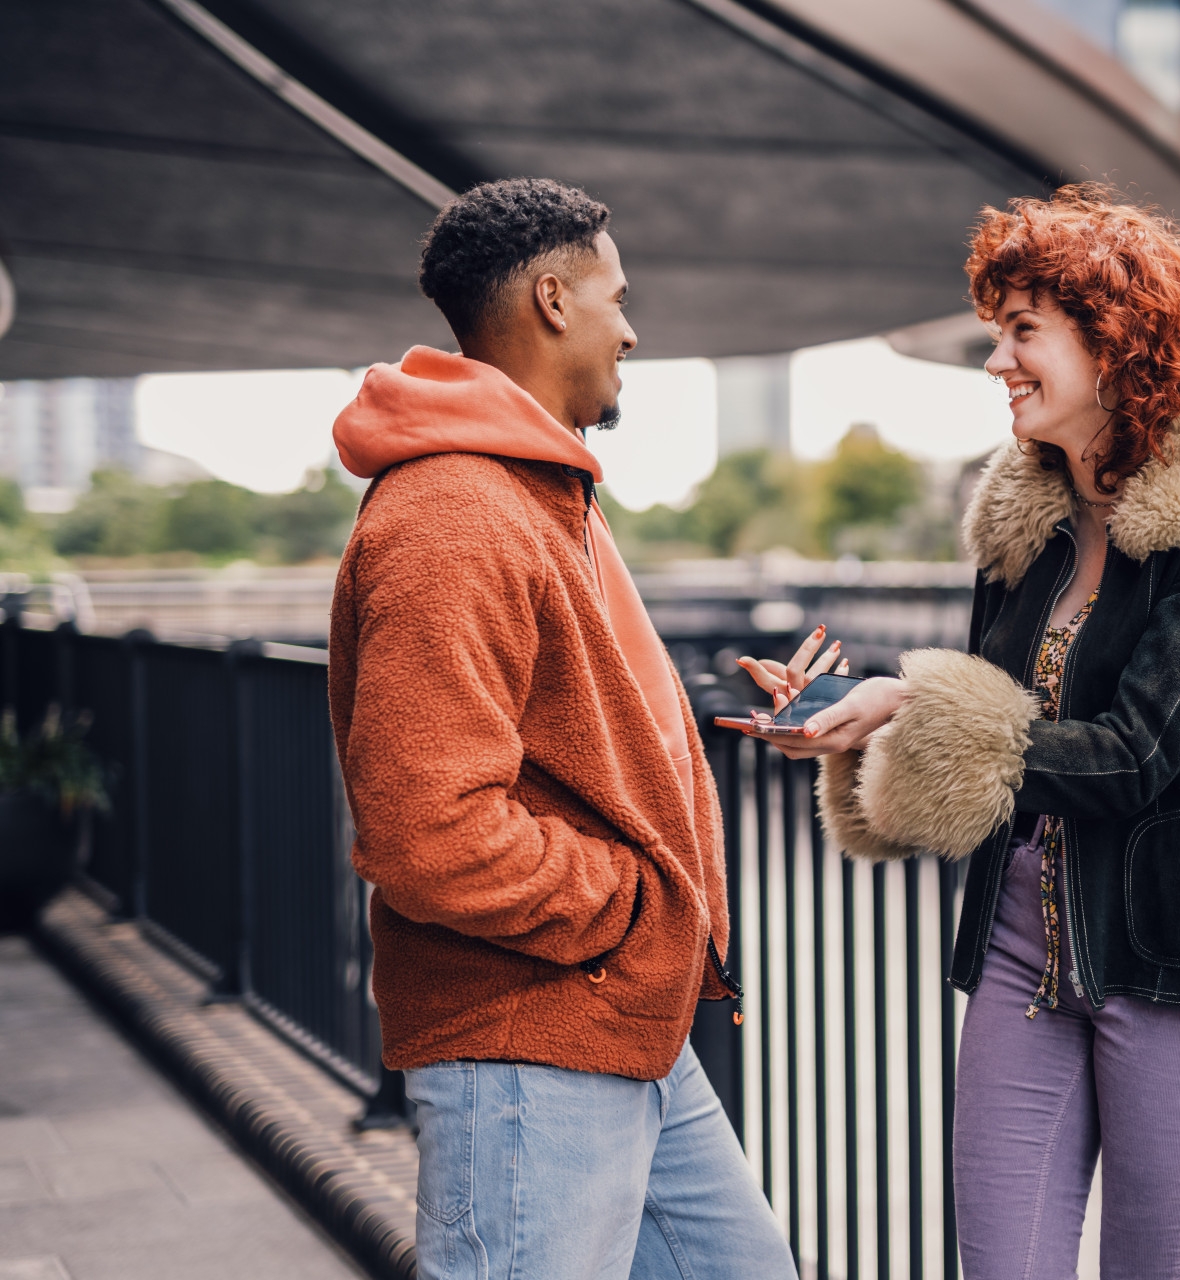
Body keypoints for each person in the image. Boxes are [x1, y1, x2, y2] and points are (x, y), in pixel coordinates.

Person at [738, 185, 1180, 1279]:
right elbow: (988, 725)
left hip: (1167, 953)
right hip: (1018, 947)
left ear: (1114, 338)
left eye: (1023, 330)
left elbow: (1133, 754)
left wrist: (914, 694)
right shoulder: (1021, 522)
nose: (997, 361)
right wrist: (852, 723)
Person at [328, 178, 794, 1280]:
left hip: (617, 1018)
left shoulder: (533, 490)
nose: (630, 330)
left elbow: (568, 724)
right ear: (550, 299)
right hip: (530, 1030)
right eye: (615, 298)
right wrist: (626, 904)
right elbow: (423, 826)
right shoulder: (452, 512)